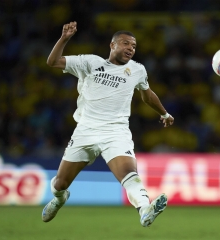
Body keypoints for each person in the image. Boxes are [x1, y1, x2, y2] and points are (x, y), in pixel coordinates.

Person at [42, 21, 174, 227]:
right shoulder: (90, 63)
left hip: (116, 132)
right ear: (112, 45)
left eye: (134, 46)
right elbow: (52, 62)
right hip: (85, 130)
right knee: (60, 184)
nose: (131, 48)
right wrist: (64, 39)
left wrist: (164, 113)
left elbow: (147, 96)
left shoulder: (137, 70)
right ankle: (59, 199)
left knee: (130, 175)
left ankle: (144, 209)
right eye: (125, 43)